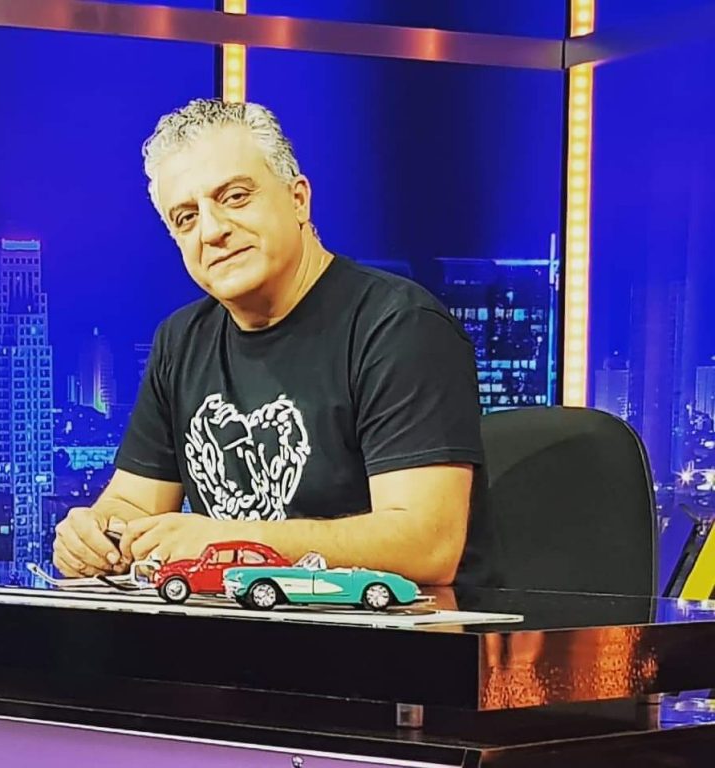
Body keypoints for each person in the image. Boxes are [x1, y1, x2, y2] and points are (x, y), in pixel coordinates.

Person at [53, 98, 496, 587]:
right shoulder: (180, 341)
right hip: (229, 627)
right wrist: (96, 534)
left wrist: (230, 543)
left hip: (390, 630)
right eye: (186, 218)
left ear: (298, 199)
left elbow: (426, 544)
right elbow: (133, 503)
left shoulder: (399, 326)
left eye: (235, 197)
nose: (212, 230)